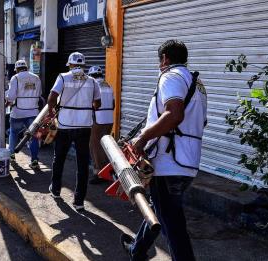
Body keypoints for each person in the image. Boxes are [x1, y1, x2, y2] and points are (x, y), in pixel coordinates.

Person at [120, 40, 207, 261]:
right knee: (160, 210)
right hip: (187, 162)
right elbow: (200, 122)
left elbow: (174, 115)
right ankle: (137, 249)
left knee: (173, 226)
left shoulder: (170, 76)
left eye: (160, 60)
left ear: (165, 58)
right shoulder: (197, 83)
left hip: (169, 162)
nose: (159, 65)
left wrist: (142, 140)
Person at [47, 52, 101, 211]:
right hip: (84, 126)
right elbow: (97, 104)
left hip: (65, 125)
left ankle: (56, 190)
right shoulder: (92, 81)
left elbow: (51, 99)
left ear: (70, 64)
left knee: (59, 158)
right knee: (83, 164)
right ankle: (79, 201)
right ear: (83, 65)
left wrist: (52, 115)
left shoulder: (63, 77)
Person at [5, 59, 42, 168]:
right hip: (34, 113)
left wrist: (8, 101)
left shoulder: (15, 78)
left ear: (16, 69)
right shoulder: (36, 78)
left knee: (13, 133)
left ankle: (11, 155)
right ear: (26, 68)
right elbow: (39, 93)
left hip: (18, 113)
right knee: (34, 137)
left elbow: (11, 96)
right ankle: (34, 161)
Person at [87, 66, 115, 184]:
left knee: (95, 146)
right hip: (109, 119)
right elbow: (113, 104)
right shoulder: (108, 85)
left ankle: (99, 173)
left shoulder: (93, 85)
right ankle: (107, 170)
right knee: (105, 146)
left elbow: (92, 103)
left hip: (98, 119)